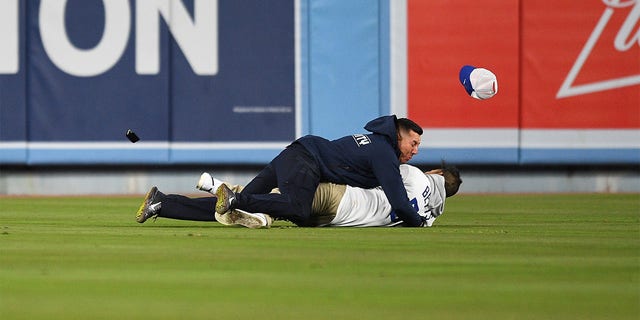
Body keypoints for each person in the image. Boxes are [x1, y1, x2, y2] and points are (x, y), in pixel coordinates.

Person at [214, 115, 427, 227]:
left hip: (298, 154)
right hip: (305, 161)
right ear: (398, 136)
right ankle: (235, 199)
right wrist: (418, 221)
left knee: (233, 207)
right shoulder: (384, 154)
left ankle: (181, 206)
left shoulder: (376, 144)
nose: (415, 150)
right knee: (299, 209)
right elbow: (400, 203)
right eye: (413, 143)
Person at [135, 163, 462, 228]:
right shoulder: (430, 218)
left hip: (335, 195)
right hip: (334, 221)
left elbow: (374, 173)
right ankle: (163, 203)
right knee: (253, 209)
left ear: (436, 174)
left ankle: (222, 188)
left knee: (247, 199)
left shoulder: (414, 175)